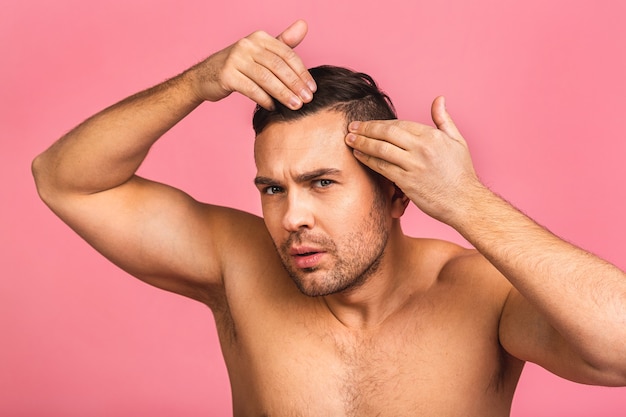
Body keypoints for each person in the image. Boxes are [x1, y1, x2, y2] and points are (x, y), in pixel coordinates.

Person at [32, 19, 626, 416]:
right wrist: (197, 83)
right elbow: (66, 180)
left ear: (398, 194)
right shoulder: (239, 266)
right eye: (272, 188)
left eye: (321, 183)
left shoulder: (483, 295)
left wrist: (467, 201)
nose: (292, 216)